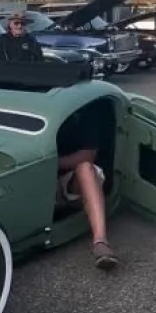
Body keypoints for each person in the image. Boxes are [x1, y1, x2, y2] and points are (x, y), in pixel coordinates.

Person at [56, 104, 118, 270]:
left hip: (65, 179)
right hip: (35, 175)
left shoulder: (87, 111)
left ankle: (100, 241)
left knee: (86, 168)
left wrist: (51, 162)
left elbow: (88, 155)